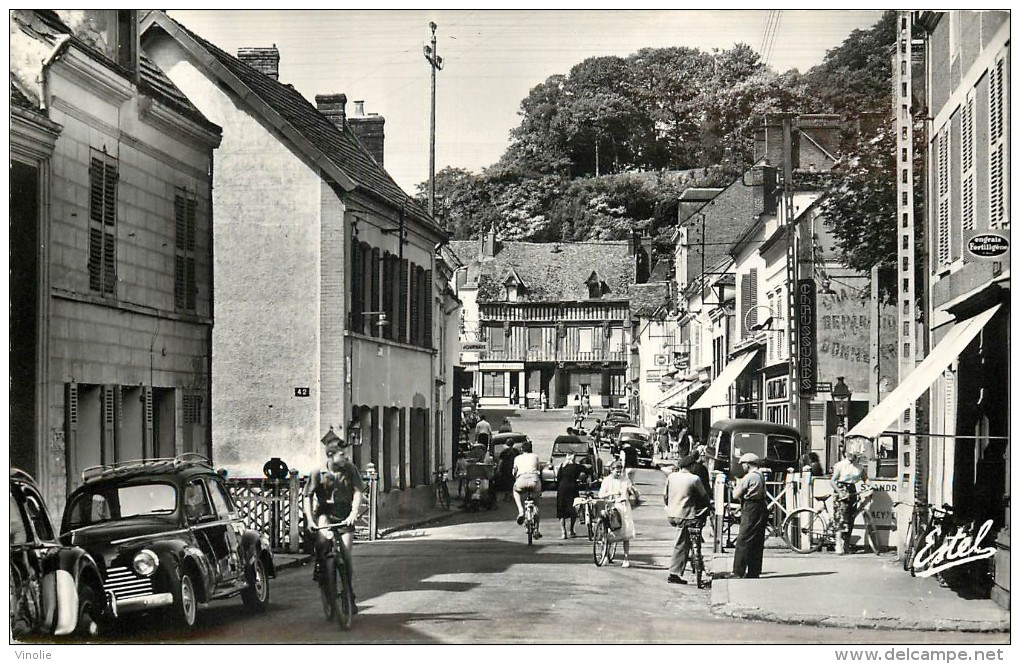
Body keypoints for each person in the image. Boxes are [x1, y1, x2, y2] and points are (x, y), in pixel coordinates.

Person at [304, 428, 365, 614]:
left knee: (346, 556)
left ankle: (349, 595)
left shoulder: (350, 469)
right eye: (342, 455)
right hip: (325, 514)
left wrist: (354, 511)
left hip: (345, 514)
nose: (346, 457)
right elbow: (307, 496)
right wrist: (309, 520)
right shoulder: (317, 473)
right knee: (322, 544)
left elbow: (358, 491)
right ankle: (323, 574)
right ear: (330, 456)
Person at [664, 456, 711, 584]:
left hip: (671, 514)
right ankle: (674, 573)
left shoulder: (671, 477)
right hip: (686, 515)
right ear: (691, 466)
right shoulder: (694, 479)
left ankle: (685, 564)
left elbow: (665, 496)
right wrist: (709, 506)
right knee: (682, 543)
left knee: (684, 540)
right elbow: (704, 496)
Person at [731, 452, 768, 579]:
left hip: (750, 508)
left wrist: (736, 485)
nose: (742, 467)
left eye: (743, 464)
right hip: (761, 507)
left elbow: (735, 495)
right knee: (757, 540)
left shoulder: (749, 477)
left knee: (743, 539)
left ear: (748, 465)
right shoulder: (760, 475)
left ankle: (738, 571)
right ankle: (754, 571)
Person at [599, 461, 637, 567]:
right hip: (613, 507)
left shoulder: (625, 480)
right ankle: (606, 556)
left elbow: (632, 491)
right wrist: (612, 493)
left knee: (626, 534)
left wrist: (633, 491)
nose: (619, 473)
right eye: (617, 471)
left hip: (624, 507)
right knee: (611, 533)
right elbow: (601, 495)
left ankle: (626, 558)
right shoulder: (607, 481)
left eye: (620, 471)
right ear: (611, 470)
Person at [830, 449, 868, 554]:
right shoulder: (840, 465)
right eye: (849, 453)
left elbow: (865, 479)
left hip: (852, 490)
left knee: (850, 518)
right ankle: (838, 544)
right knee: (840, 518)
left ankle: (846, 544)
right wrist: (839, 492)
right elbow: (832, 481)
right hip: (841, 489)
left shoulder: (859, 466)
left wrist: (871, 485)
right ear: (845, 453)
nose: (851, 455)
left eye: (853, 453)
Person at [512, 440, 543, 537]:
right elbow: (539, 469)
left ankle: (521, 511)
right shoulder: (535, 456)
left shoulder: (517, 458)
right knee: (536, 503)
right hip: (533, 481)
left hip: (521, 480)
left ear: (522, 449)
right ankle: (537, 529)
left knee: (515, 491)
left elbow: (514, 471)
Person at [556, 452, 585, 538]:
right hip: (573, 488)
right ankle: (571, 530)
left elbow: (558, 478)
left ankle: (563, 532)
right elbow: (587, 470)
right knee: (573, 509)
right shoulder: (577, 466)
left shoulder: (562, 466)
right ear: (574, 458)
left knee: (561, 510)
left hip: (562, 488)